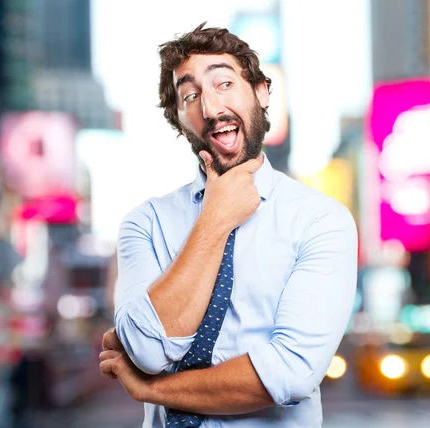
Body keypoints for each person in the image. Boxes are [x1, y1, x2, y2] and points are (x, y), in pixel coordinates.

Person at [99, 22, 357, 428]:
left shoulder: (321, 221)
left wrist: (152, 389)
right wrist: (216, 219)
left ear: (261, 92)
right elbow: (147, 349)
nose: (210, 107)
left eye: (223, 83)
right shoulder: (145, 224)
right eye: (190, 96)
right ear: (179, 121)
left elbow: (288, 374)